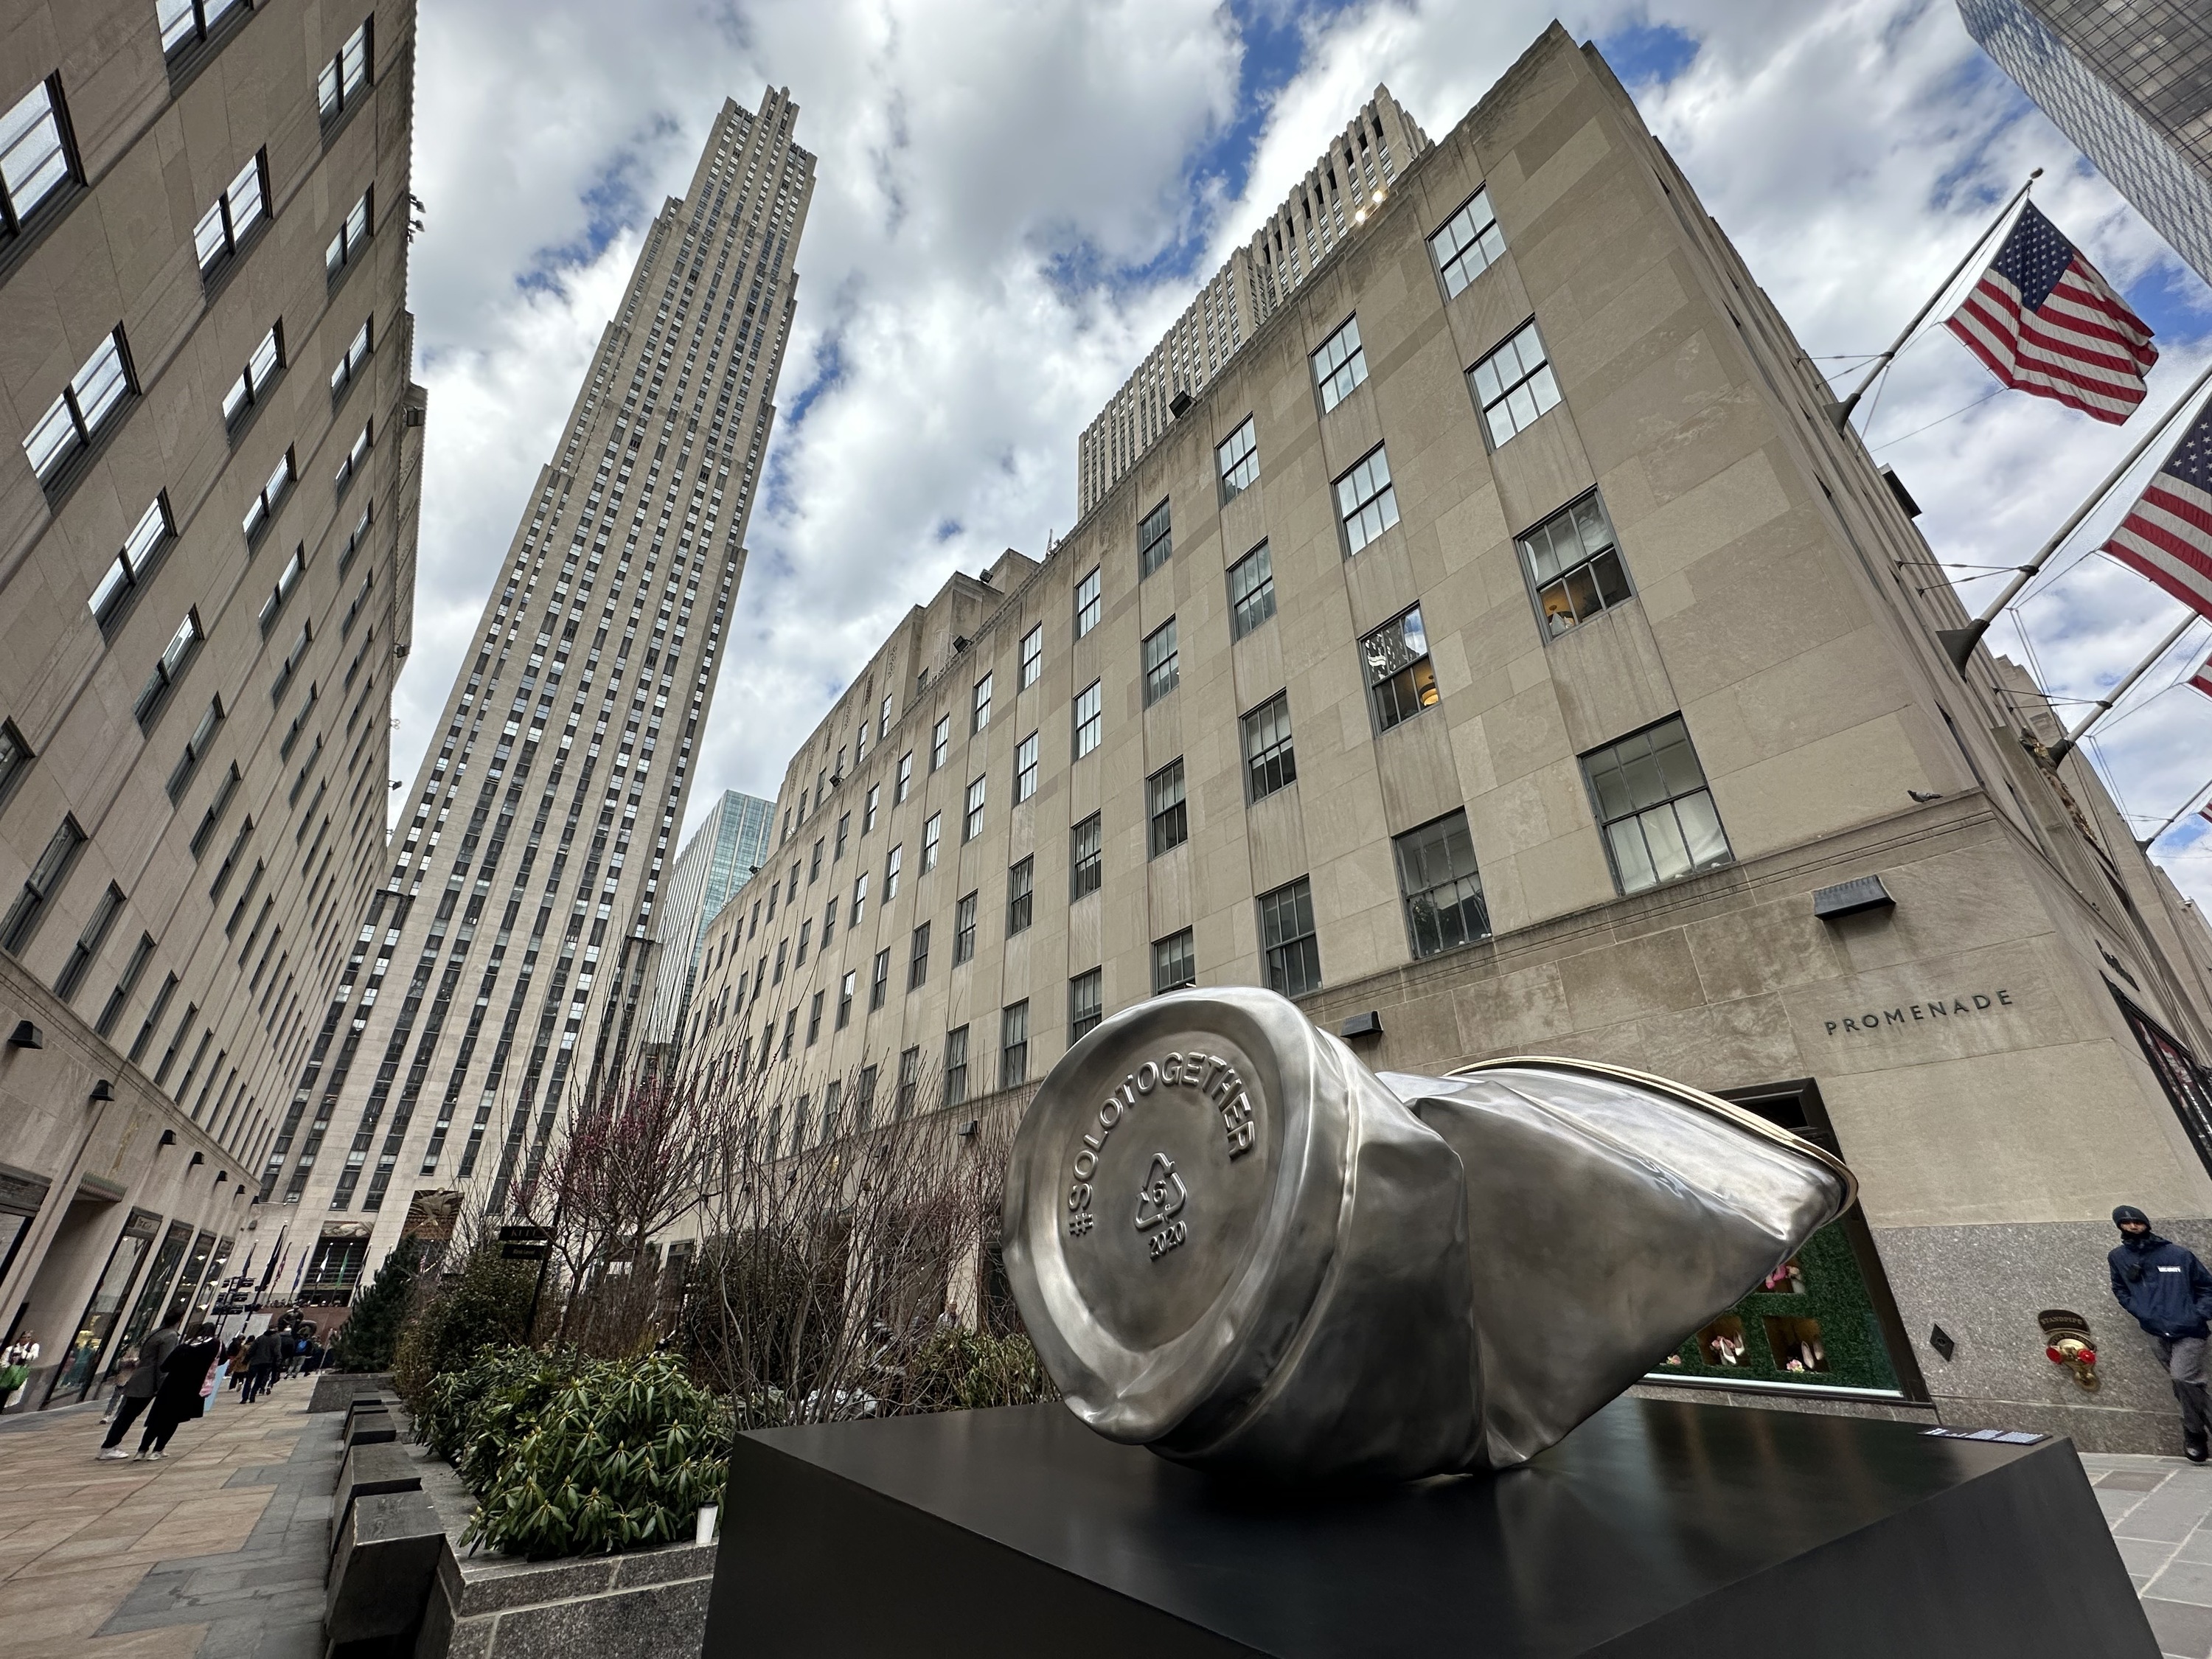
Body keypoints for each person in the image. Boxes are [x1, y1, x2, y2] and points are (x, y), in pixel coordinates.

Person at [2109, 1206, 2212, 1463]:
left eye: (2136, 1222)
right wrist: (2141, 1311)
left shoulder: (2178, 1255)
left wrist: (2198, 1314)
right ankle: (2194, 1432)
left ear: (2146, 1223)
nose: (2132, 1227)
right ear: (2120, 1226)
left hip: (2189, 1330)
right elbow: (2120, 1288)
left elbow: (2207, 1287)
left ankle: (2194, 1432)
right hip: (2155, 1331)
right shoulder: (2118, 1257)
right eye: (2126, 1223)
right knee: (2183, 1387)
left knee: (2182, 1377)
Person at [96, 1318, 181, 1459]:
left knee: (126, 1414)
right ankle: (109, 1446)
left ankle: (110, 1445)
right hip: (147, 1382)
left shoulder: (155, 1332)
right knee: (128, 1415)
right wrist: (163, 1387)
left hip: (139, 1377)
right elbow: (163, 1364)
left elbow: (143, 1356)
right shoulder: (169, 1336)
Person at [136, 1322, 220, 1461]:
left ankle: (142, 1450)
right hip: (190, 1388)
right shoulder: (214, 1346)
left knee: (157, 1419)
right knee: (172, 1420)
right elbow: (221, 1360)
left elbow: (165, 1367)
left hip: (170, 1387)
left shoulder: (183, 1347)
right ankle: (158, 1450)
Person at [240, 1325, 284, 1404]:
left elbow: (251, 1350)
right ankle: (252, 1396)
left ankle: (244, 1398)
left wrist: (246, 1360)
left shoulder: (260, 1338)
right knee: (259, 1380)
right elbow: (277, 1351)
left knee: (249, 1380)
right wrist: (278, 1362)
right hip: (267, 1362)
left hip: (255, 1362)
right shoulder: (277, 1338)